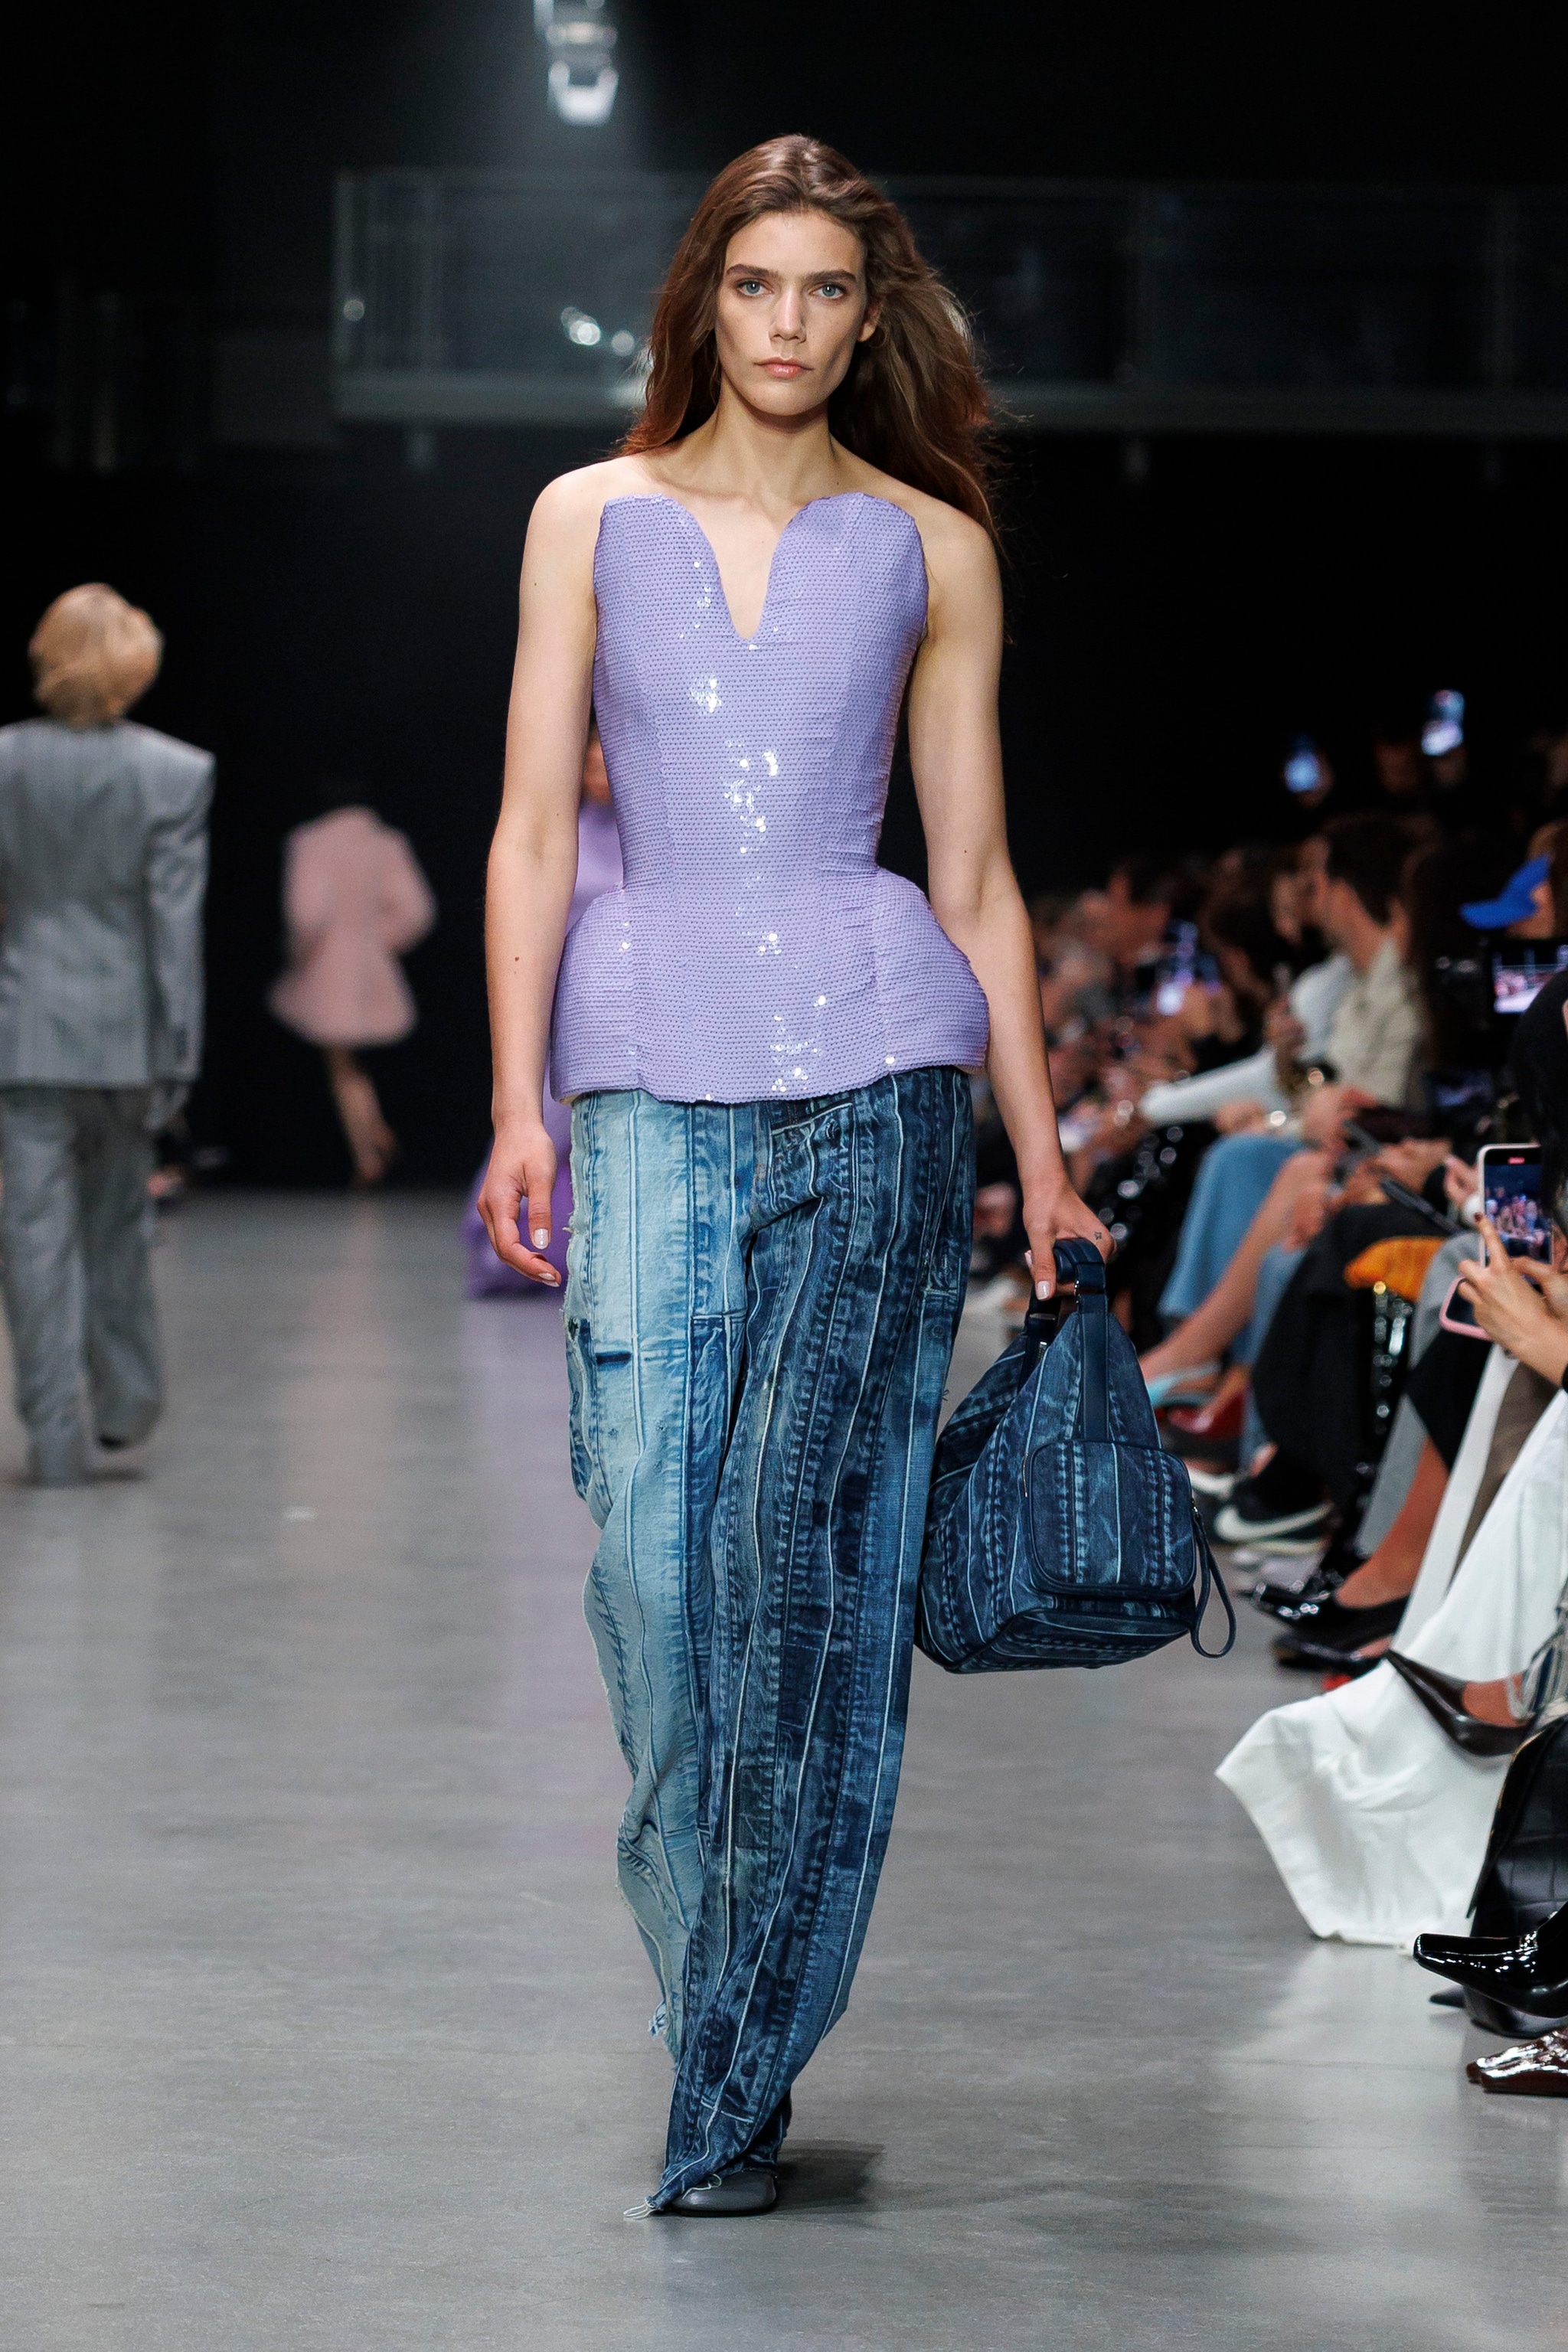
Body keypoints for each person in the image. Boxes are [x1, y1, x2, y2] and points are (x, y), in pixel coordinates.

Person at [476, 135, 1107, 2217]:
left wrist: (1046, 1156)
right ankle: (720, 2000)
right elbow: (535, 833)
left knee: (810, 1576)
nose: (786, 322)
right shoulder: (585, 516)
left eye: (825, 288)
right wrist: (513, 1103)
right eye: (754, 284)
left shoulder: (932, 546)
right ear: (703, 302)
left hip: (879, 1068)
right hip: (646, 1063)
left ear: (866, 317)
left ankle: (734, 2067)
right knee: (661, 1572)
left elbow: (979, 875)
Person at [0, 584, 211, 1485]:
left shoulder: (6, 763)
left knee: (32, 1237)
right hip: (125, 1037)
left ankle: (54, 1437)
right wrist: (180, 1048)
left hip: (24, 1030)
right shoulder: (174, 772)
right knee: (117, 1227)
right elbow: (173, 924)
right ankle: (123, 1403)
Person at [462, 723, 622, 1295]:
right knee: (541, 1126)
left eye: (607, 764)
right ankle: (506, 1247)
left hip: (633, 1009)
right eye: (589, 765)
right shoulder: (559, 838)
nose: (598, 775)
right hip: (567, 1009)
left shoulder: (649, 846)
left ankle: (592, 1257)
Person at [269, 799, 435, 1185]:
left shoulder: (312, 841)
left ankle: (368, 1148)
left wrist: (298, 956)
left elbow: (306, 914)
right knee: (349, 1062)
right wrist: (380, 940)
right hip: (372, 964)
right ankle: (371, 1136)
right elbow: (416, 910)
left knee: (341, 1062)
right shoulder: (386, 842)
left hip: (330, 966)